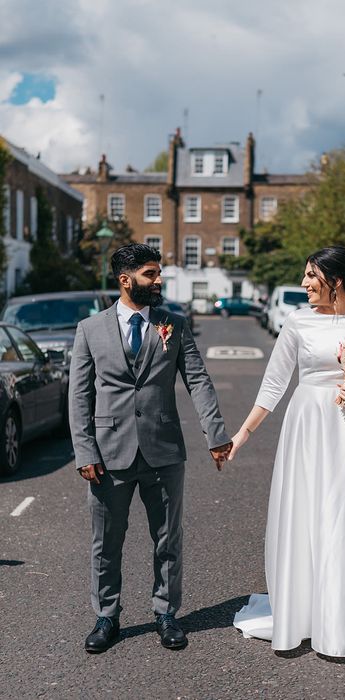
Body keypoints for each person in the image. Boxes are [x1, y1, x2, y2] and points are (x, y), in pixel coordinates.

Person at [229, 246, 345, 658]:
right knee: (313, 515)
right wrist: (242, 435)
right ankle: (308, 613)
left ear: (336, 280)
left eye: (311, 275)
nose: (304, 283)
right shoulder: (297, 322)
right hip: (309, 426)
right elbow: (274, 385)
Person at [69, 243, 232, 653]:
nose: (158, 281)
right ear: (125, 280)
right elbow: (79, 397)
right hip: (108, 455)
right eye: (150, 274)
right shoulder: (90, 329)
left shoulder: (173, 324)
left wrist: (216, 435)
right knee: (106, 541)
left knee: (167, 539)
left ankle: (166, 613)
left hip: (164, 451)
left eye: (158, 274)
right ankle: (107, 616)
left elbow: (198, 380)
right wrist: (85, 452)